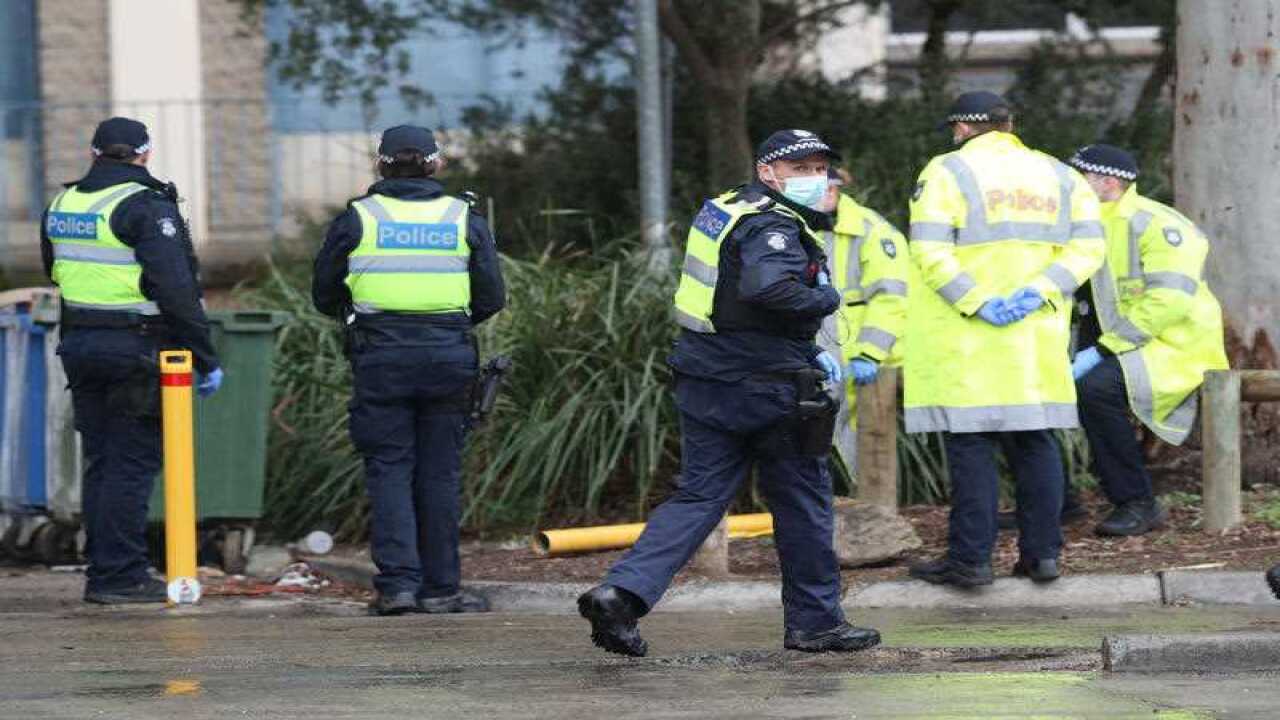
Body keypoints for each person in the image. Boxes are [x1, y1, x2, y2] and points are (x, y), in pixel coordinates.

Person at [577, 130, 881, 657]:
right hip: (769, 387)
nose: (816, 177)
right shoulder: (773, 227)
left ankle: (622, 594)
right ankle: (816, 623)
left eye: (820, 167)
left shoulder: (725, 208)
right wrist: (826, 298)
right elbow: (767, 287)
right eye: (801, 168)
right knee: (803, 504)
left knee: (698, 496)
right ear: (768, 172)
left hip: (706, 377)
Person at [903, 92, 1105, 586]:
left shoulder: (947, 172)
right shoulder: (1061, 175)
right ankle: (1043, 555)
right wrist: (1038, 292)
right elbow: (1089, 248)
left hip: (967, 339)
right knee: (1036, 442)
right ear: (1009, 125)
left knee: (971, 446)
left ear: (962, 129)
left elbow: (929, 250)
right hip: (1033, 338)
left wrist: (976, 300)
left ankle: (970, 560)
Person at [312, 125, 505, 615]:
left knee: (389, 469)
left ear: (381, 165)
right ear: (436, 165)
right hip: (448, 355)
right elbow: (491, 297)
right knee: (439, 473)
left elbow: (325, 294)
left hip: (380, 357)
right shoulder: (463, 217)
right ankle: (442, 590)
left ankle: (397, 588)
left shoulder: (358, 217)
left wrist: (367, 318)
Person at [41, 117, 222, 604]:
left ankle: (104, 571)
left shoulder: (65, 203)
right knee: (131, 463)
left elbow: (54, 270)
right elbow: (176, 289)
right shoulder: (143, 206)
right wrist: (205, 356)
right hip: (135, 349)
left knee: (102, 462)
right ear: (144, 153)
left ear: (93, 151)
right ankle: (120, 576)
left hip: (80, 344)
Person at [1063, 144, 1228, 536]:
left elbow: (1168, 301)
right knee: (1027, 390)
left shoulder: (1154, 223)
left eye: (1079, 178)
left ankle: (1138, 502)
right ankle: (1054, 503)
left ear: (1109, 183)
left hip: (1170, 345)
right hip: (1112, 342)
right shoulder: (1079, 224)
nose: (1070, 186)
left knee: (1094, 390)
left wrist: (1103, 350)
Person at [817, 167, 911, 474]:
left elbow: (891, 298)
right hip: (817, 359)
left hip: (863, 364)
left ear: (836, 190)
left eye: (827, 189)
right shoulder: (793, 228)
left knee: (864, 447)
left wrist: (870, 352)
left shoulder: (873, 231)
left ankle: (873, 514)